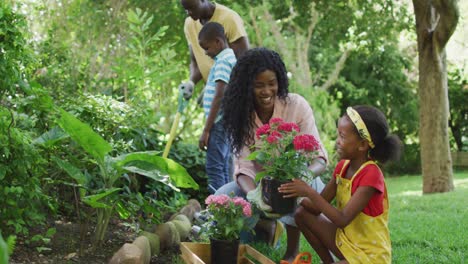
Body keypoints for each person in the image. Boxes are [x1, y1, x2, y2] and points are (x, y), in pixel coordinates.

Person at [215, 47, 328, 263]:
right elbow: (243, 168)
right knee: (225, 196)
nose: (266, 91)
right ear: (246, 86)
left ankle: (292, 250)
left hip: (301, 184)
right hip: (261, 186)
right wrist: (254, 196)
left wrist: (303, 178)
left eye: (271, 83)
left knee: (293, 174)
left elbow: (319, 158)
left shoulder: (296, 105)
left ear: (280, 82)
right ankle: (263, 228)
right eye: (258, 85)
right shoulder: (241, 116)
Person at [279, 106, 402, 263]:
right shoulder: (343, 167)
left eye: (342, 137)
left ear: (362, 145)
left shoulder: (371, 175)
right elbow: (316, 208)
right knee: (302, 214)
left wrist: (309, 191)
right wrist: (292, 195)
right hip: (347, 241)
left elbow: (342, 219)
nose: (337, 141)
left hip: (369, 256)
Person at [178, 0, 249, 99]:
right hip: (214, 93)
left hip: (236, 94)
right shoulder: (189, 24)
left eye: (192, 7)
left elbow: (244, 63)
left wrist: (218, 89)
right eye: (186, 10)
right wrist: (191, 82)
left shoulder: (229, 18)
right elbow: (197, 62)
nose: (189, 13)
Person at [196, 22, 237, 193]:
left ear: (218, 42)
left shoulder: (222, 62)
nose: (206, 52)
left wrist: (206, 129)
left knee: (215, 167)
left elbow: (219, 96)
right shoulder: (229, 58)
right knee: (225, 165)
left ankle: (219, 211)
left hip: (218, 122)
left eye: (207, 47)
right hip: (226, 122)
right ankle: (229, 209)